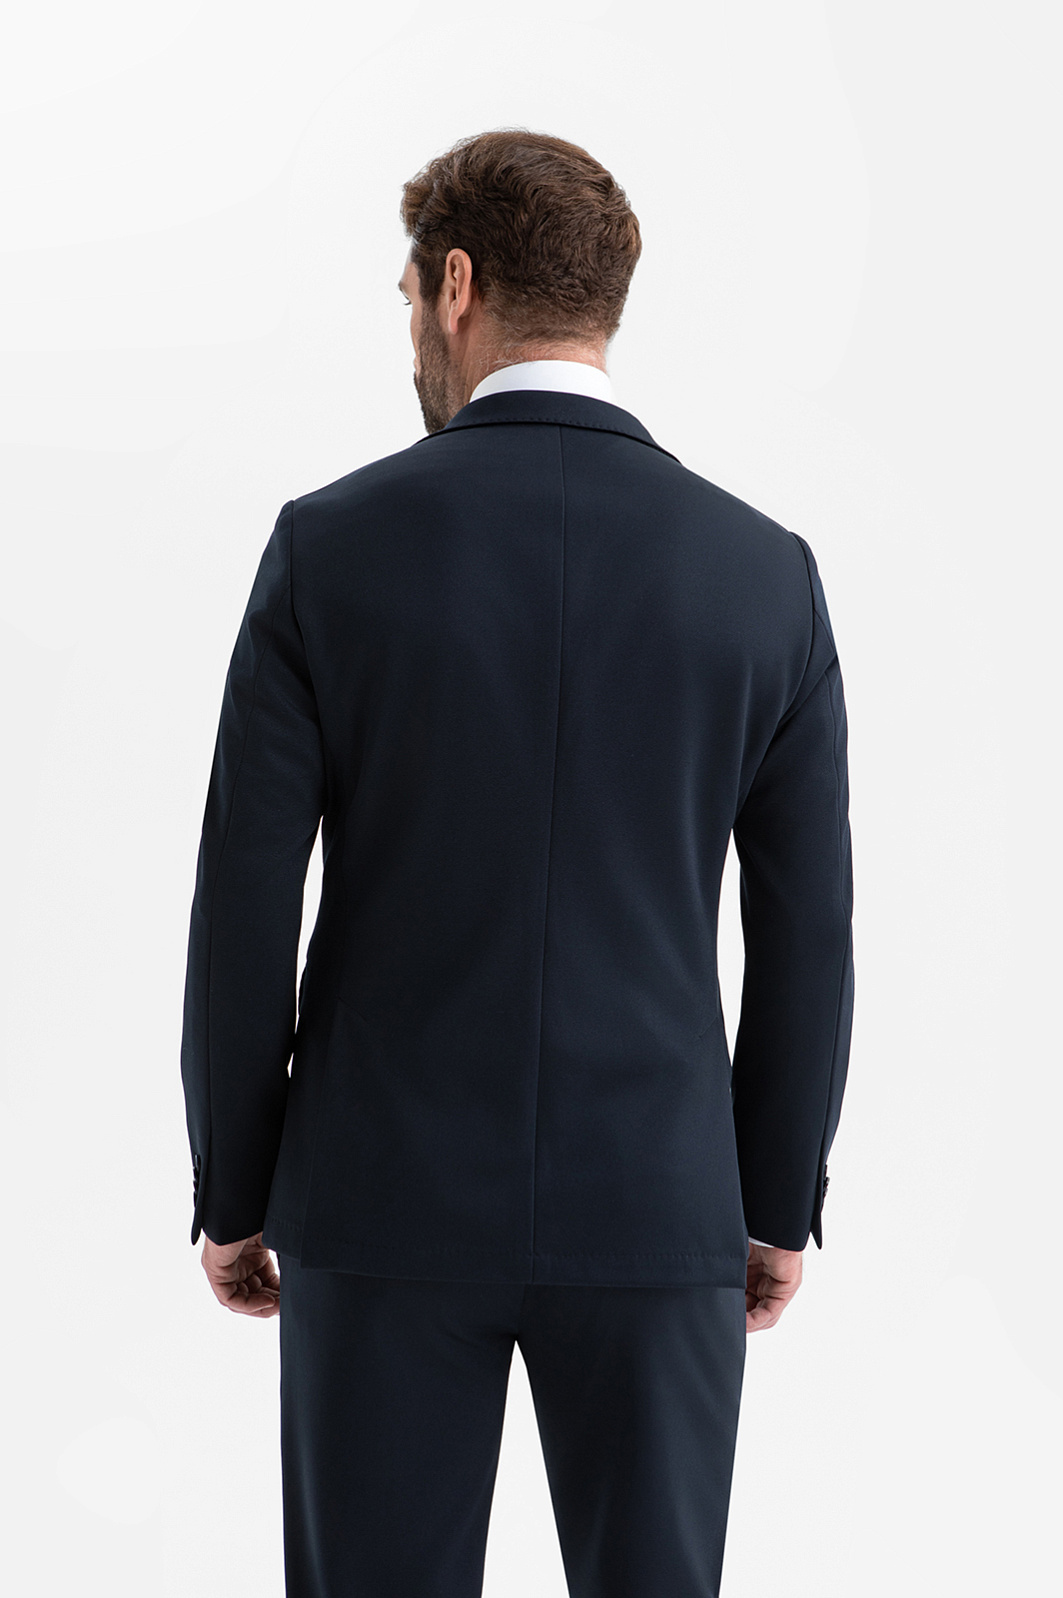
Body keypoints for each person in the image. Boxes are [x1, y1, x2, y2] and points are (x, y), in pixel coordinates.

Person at [180, 127, 855, 1598]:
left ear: (456, 285)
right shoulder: (765, 576)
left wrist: (236, 1185)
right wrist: (770, 1199)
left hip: (380, 1196)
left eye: (408, 297)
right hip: (660, 1200)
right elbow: (808, 932)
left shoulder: (328, 548)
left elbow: (244, 906)